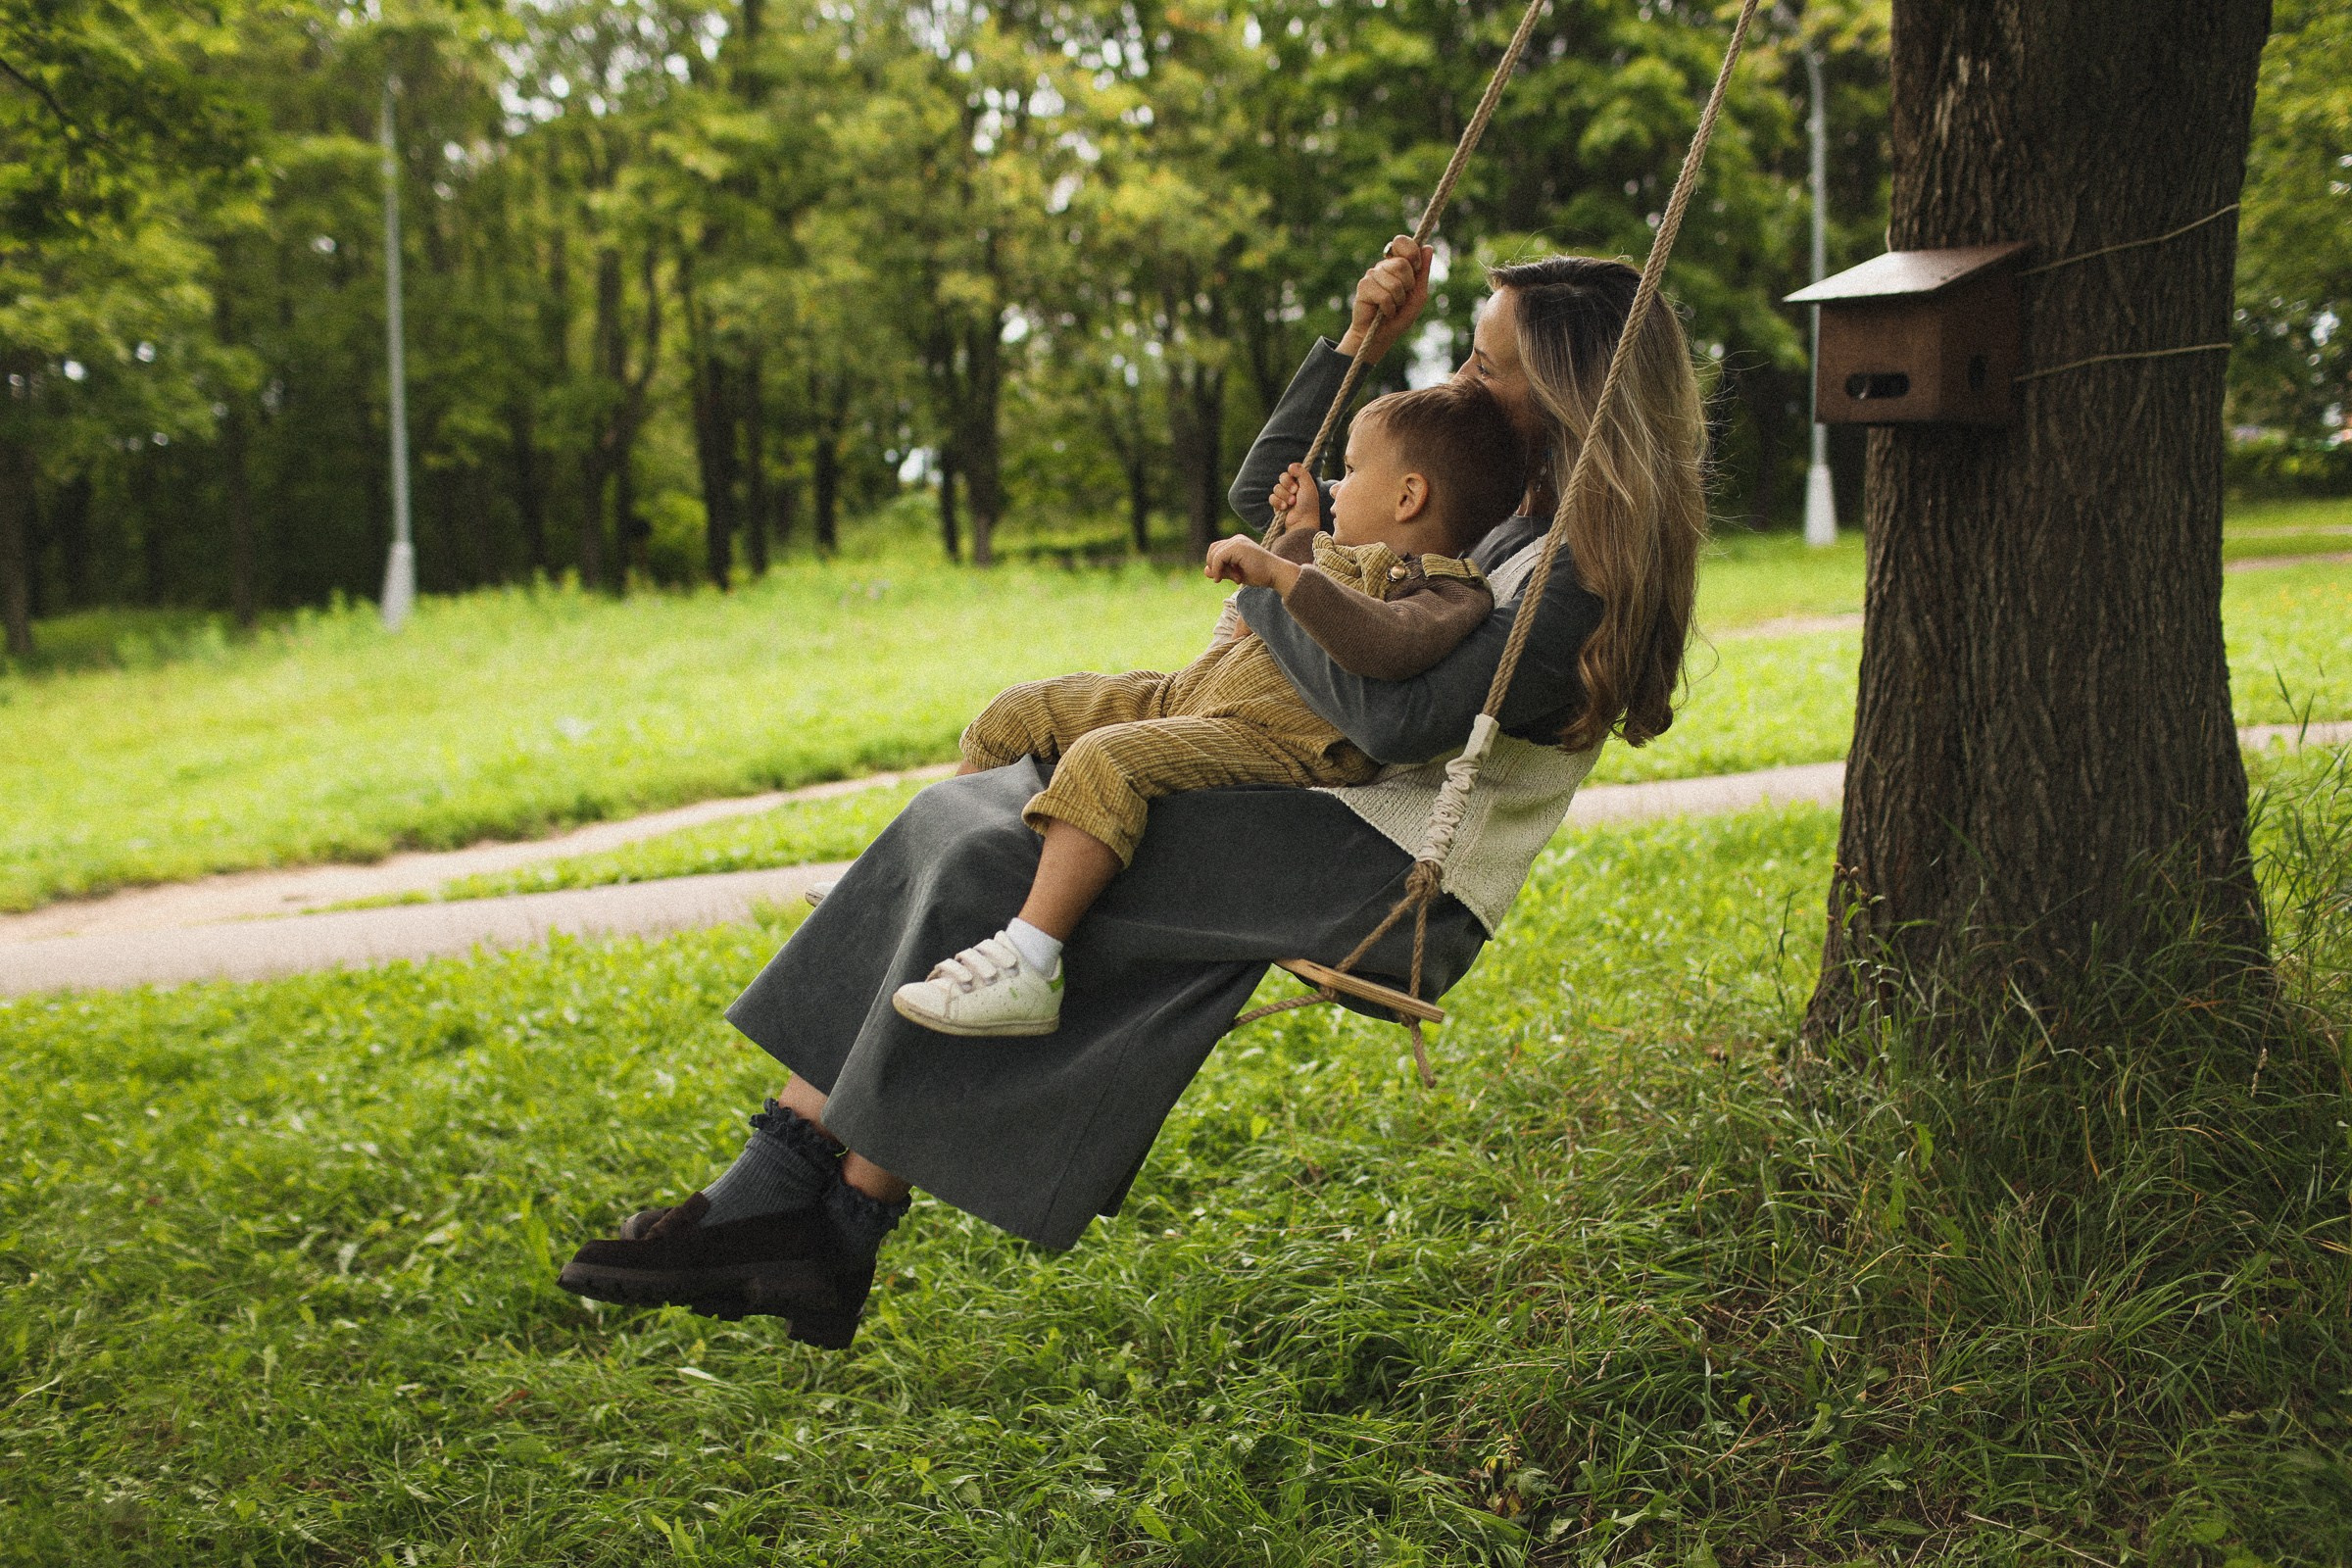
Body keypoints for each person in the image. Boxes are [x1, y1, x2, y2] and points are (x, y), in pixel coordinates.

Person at [555, 242, 1708, 1351]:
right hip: (1321, 802)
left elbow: (1393, 721)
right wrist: (1357, 344)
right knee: (971, 832)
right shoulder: (1503, 507)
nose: (1459, 377)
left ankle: (792, 1206)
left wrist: (1279, 585)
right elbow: (1268, 495)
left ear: (1568, 395)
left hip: (1382, 867)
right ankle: (823, 1221)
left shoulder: (1573, 565)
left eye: (1486, 366)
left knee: (997, 862)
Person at [891, 378, 1527, 1039]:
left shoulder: (1447, 592)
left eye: (1352, 469)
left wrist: (1284, 571)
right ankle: (916, 880)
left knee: (1108, 759)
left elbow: (1384, 644)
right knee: (1023, 709)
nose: (1337, 487)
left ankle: (1030, 962)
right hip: (1190, 693)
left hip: (1279, 741)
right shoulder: (1329, 551)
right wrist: (1299, 535)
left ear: (1408, 496)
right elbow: (1283, 603)